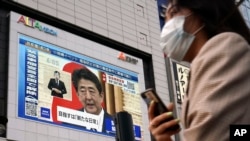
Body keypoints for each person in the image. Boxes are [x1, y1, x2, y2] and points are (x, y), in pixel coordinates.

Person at [148, 0, 250, 140]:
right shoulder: (202, 65)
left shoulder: (225, 47)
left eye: (173, 13)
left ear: (200, 14)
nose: (166, 26)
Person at [71, 68, 113, 134]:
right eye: (83, 91)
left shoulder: (116, 125)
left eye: (91, 91)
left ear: (101, 96)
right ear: (78, 95)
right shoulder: (70, 122)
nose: (88, 97)